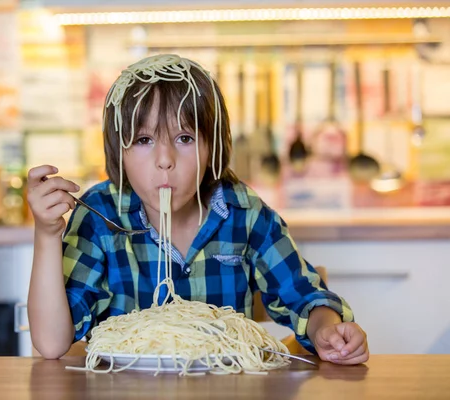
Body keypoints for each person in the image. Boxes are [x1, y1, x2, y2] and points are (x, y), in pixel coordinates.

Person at [26, 54, 369, 365]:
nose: (165, 161)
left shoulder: (243, 213)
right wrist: (46, 234)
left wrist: (327, 329)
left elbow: (306, 295)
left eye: (185, 138)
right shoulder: (101, 215)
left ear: (213, 148)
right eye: (144, 140)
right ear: (119, 152)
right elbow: (52, 343)